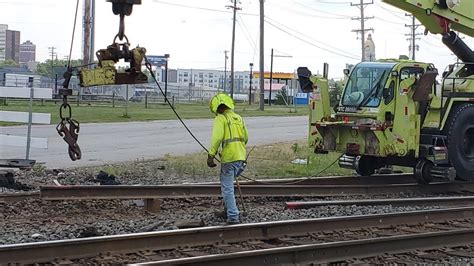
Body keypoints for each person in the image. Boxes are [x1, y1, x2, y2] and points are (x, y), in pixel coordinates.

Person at [207, 93, 248, 225]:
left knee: (227, 188)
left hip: (229, 158)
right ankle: (227, 210)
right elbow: (246, 138)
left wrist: (211, 155)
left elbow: (217, 138)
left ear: (217, 108)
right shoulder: (239, 118)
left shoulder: (221, 118)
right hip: (241, 158)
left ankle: (233, 215)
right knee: (229, 185)